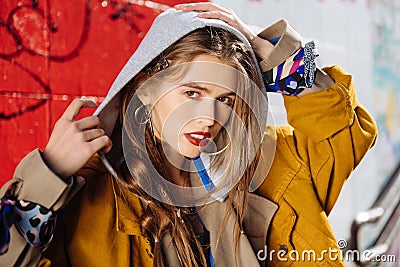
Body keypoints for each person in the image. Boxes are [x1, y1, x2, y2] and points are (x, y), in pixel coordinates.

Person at [0, 2, 377, 267]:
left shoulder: (266, 160)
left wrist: (275, 55)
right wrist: (47, 173)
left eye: (225, 99)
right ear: (145, 90)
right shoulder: (94, 192)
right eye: (192, 93)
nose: (209, 117)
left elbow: (345, 136)